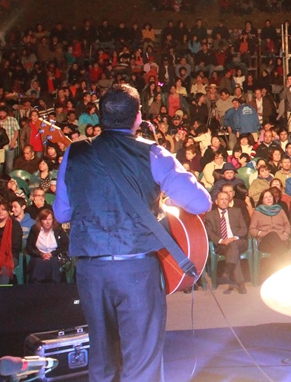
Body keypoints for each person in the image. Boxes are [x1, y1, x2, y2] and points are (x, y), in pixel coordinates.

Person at [53, 84, 211, 382]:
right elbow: (201, 202)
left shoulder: (74, 152)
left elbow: (62, 213)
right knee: (141, 364)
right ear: (138, 117)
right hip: (136, 270)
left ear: (100, 116)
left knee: (102, 360)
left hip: (90, 271)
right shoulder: (153, 153)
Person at [203, 190, 250, 294]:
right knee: (233, 252)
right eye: (222, 199)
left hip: (238, 241)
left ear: (229, 201)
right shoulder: (210, 215)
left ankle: (228, 270)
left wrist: (234, 238)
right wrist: (221, 241)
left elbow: (244, 228)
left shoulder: (236, 211)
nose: (224, 201)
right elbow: (209, 233)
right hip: (222, 245)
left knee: (233, 245)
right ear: (216, 201)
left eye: (226, 199)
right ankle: (239, 282)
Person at [26, 208, 69, 283]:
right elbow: (29, 247)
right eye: (45, 219)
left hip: (55, 256)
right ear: (40, 220)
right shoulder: (35, 230)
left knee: (53, 262)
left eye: (50, 219)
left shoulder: (58, 230)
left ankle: (54, 285)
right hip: (38, 256)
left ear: (53, 220)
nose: (48, 222)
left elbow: (65, 246)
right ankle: (37, 286)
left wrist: (52, 254)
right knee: (38, 263)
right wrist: (41, 254)